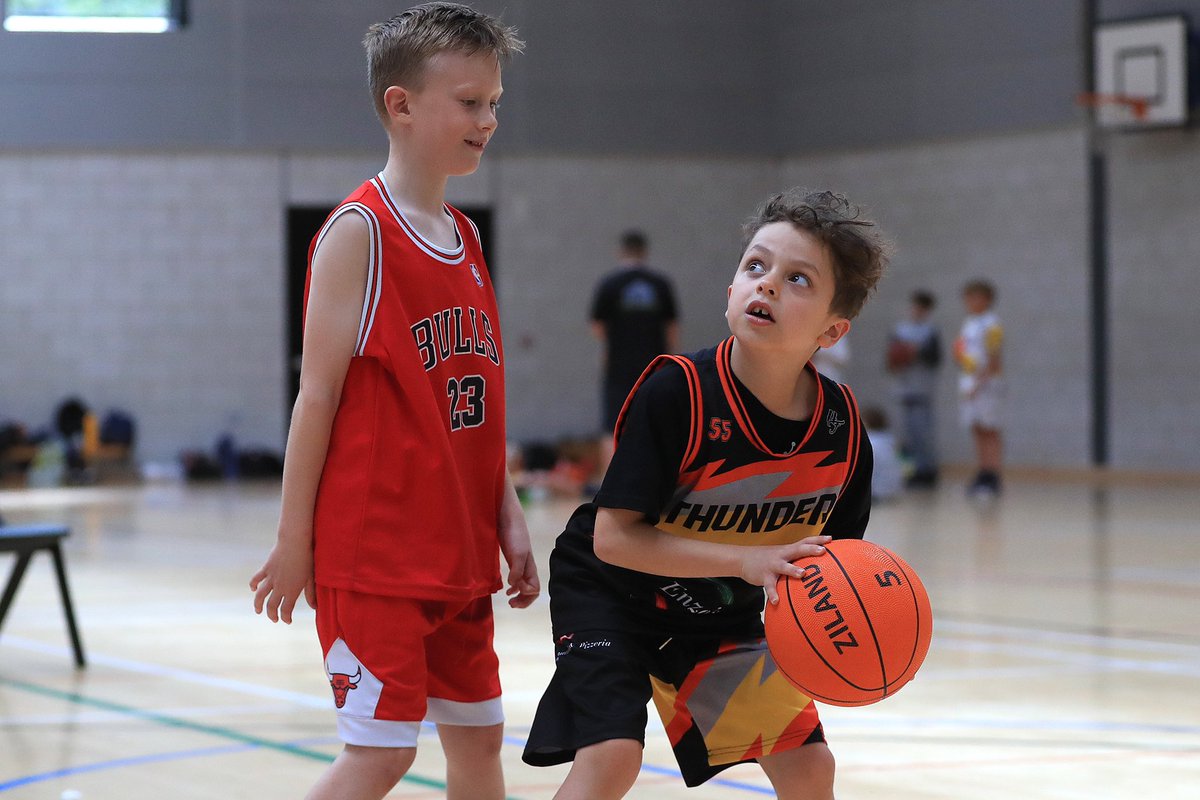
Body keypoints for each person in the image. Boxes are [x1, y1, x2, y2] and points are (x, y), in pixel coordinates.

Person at [248, 6, 539, 800]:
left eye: (494, 102)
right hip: (375, 556)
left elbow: (468, 406)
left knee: (480, 744)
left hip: (457, 551)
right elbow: (317, 397)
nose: (489, 119)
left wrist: (505, 511)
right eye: (471, 101)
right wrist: (294, 539)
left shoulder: (465, 237)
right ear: (401, 105)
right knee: (382, 756)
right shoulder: (359, 233)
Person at [523, 188, 891, 798]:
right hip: (612, 588)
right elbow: (614, 538)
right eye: (755, 266)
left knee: (810, 768)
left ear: (833, 328)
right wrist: (744, 562)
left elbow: (832, 564)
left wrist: (840, 633)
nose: (766, 285)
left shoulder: (843, 429)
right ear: (730, 291)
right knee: (613, 756)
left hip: (718, 613)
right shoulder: (678, 393)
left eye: (797, 279)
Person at [590, 230, 679, 472]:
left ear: (621, 252)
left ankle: (609, 484)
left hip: (619, 365)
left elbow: (598, 327)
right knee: (657, 420)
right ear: (644, 252)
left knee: (612, 425)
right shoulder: (660, 284)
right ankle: (658, 480)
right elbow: (671, 328)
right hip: (654, 365)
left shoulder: (609, 283)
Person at [886, 289, 942, 487]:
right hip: (904, 387)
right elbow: (891, 359)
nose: (917, 311)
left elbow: (935, 358)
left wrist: (915, 351)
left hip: (922, 389)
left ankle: (928, 470)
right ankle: (914, 469)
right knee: (907, 432)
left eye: (921, 308)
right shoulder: (900, 330)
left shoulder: (930, 332)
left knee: (922, 432)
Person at [954, 279, 1004, 497]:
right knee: (976, 428)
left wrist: (979, 383)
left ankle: (993, 475)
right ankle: (982, 472)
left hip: (986, 385)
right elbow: (966, 356)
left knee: (989, 429)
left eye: (975, 297)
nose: (970, 302)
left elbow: (994, 360)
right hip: (969, 382)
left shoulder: (991, 324)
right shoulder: (970, 323)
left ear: (987, 299)